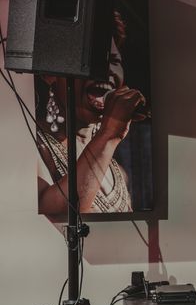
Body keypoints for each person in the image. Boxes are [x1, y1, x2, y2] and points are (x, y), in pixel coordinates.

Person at [36, 11, 149, 215]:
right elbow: (55, 215)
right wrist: (108, 135)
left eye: (113, 60)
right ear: (49, 73)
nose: (106, 70)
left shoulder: (118, 171)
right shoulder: (30, 148)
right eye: (91, 58)